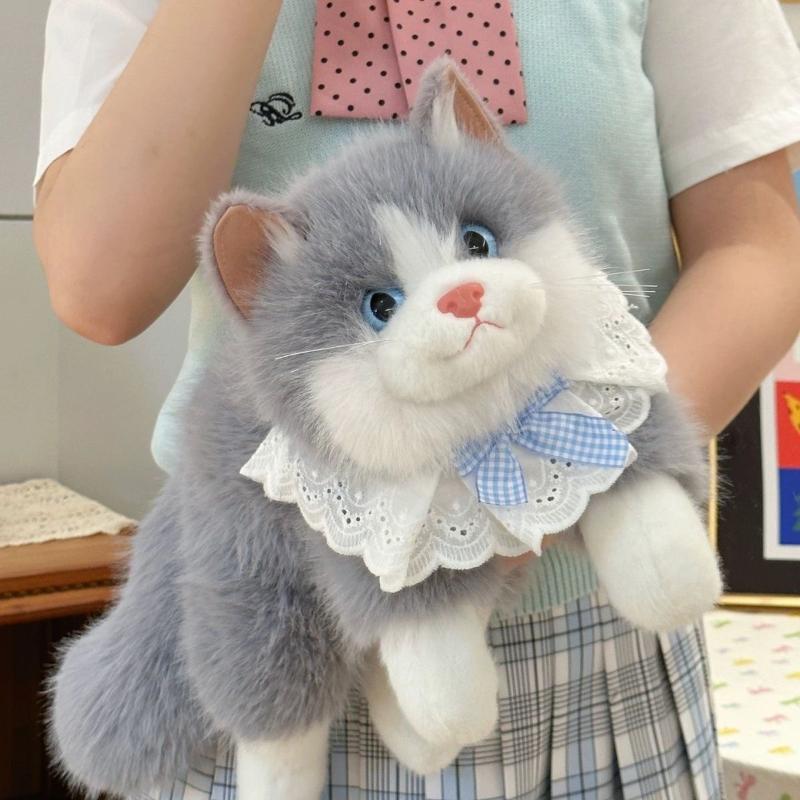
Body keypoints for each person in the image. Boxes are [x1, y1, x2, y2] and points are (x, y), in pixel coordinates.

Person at [33, 1, 800, 797]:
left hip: (599, 632)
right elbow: (102, 288)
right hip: (284, 625)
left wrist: (573, 482)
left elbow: (755, 246)